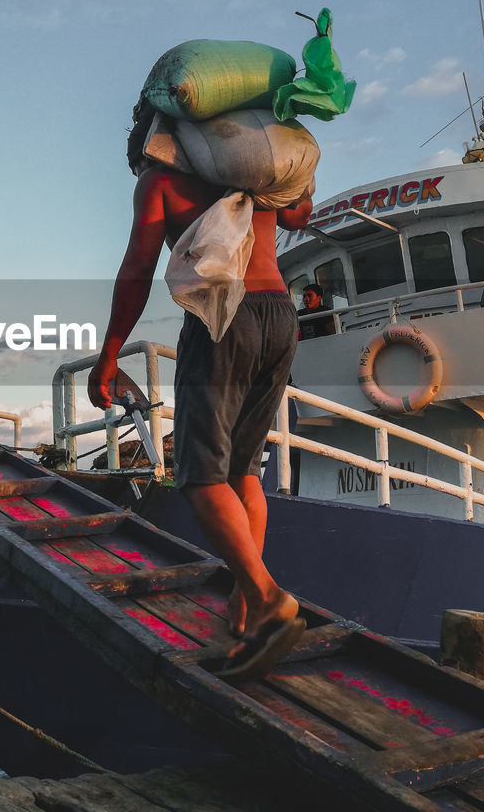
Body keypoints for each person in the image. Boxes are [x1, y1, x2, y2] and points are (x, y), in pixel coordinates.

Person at [88, 158, 312, 681]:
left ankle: (267, 599)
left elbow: (138, 268)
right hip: (280, 314)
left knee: (199, 475)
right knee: (243, 471)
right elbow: (298, 215)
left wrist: (110, 354)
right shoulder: (253, 167)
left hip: (224, 318)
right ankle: (242, 613)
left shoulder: (160, 180)